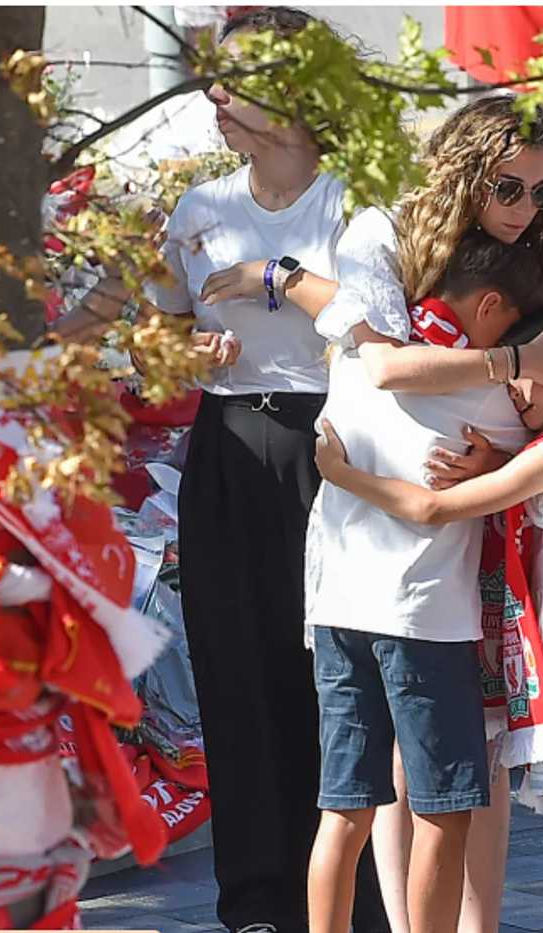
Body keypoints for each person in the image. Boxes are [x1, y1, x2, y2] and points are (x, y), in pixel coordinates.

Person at [203, 94, 543, 933]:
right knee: (396, 787)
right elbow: (380, 362)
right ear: (460, 175)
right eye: (508, 188)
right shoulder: (382, 232)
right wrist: (510, 360)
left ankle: (474, 925)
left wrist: (503, 462)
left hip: (474, 542)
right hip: (378, 554)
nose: (526, 211)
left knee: (462, 770)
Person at [137, 9, 389, 933]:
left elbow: (385, 327)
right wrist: (179, 353)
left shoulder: (360, 199)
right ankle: (254, 904)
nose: (216, 99)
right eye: (213, 81)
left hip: (343, 451)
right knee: (237, 675)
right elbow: (149, 329)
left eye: (236, 83)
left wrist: (271, 277)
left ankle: (363, 903)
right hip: (230, 444)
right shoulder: (200, 208)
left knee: (343, 675)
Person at [314, 308, 543, 933]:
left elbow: (432, 509)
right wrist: (495, 464)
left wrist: (343, 475)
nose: (513, 391)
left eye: (528, 373)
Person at [304, 228, 543, 933]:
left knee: (343, 810)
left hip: (336, 607)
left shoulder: (356, 359)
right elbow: (537, 444)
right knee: (442, 809)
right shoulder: (489, 393)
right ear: (492, 306)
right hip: (427, 619)